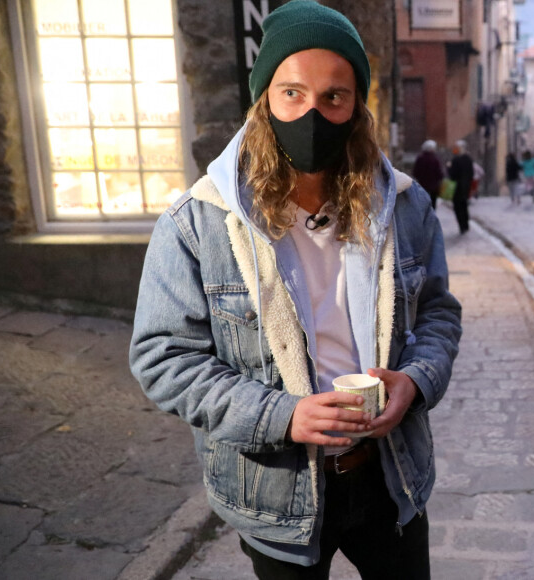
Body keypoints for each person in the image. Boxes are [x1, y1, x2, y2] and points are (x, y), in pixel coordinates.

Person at [129, 2, 462, 578]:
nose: (312, 113)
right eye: (292, 93)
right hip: (277, 495)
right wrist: (283, 416)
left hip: (391, 476)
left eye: (334, 96)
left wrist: (416, 381)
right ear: (264, 99)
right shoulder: (198, 221)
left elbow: (437, 314)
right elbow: (164, 358)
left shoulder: (405, 206)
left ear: (357, 105)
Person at [448, 140, 474, 234]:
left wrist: (449, 167)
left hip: (457, 188)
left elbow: (452, 174)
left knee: (458, 207)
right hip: (465, 187)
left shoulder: (455, 160)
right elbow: (471, 174)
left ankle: (462, 226)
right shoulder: (468, 159)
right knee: (464, 205)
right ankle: (465, 224)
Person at [413, 139, 443, 209]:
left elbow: (416, 172)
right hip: (434, 186)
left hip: (422, 185)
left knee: (423, 204)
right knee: (432, 205)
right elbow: (439, 173)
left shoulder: (420, 158)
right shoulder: (435, 159)